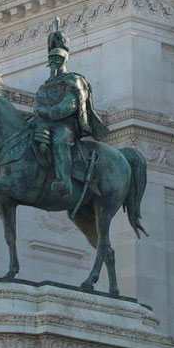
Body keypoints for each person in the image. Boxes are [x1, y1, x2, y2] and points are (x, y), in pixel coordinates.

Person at [32, 20, 108, 207]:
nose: (54, 64)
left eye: (57, 60)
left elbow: (71, 104)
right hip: (46, 122)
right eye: (51, 60)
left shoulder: (73, 81)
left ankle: (63, 178)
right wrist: (44, 112)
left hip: (66, 125)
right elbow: (37, 105)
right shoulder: (45, 86)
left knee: (59, 140)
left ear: (64, 60)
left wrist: (49, 112)